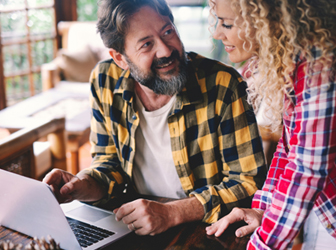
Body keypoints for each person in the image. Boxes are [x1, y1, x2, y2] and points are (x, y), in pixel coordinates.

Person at [43, 0, 267, 236]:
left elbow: (249, 182)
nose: (166, 50)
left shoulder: (223, 84)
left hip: (206, 230)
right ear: (120, 59)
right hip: (134, 226)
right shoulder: (104, 79)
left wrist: (173, 212)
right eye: (147, 44)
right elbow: (108, 163)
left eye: (168, 32)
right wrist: (82, 185)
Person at [205, 0, 336, 249]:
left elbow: (307, 171)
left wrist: (262, 244)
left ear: (267, 21)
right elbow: (289, 148)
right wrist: (261, 209)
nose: (217, 33)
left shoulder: (319, 65)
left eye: (228, 24)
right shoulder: (291, 62)